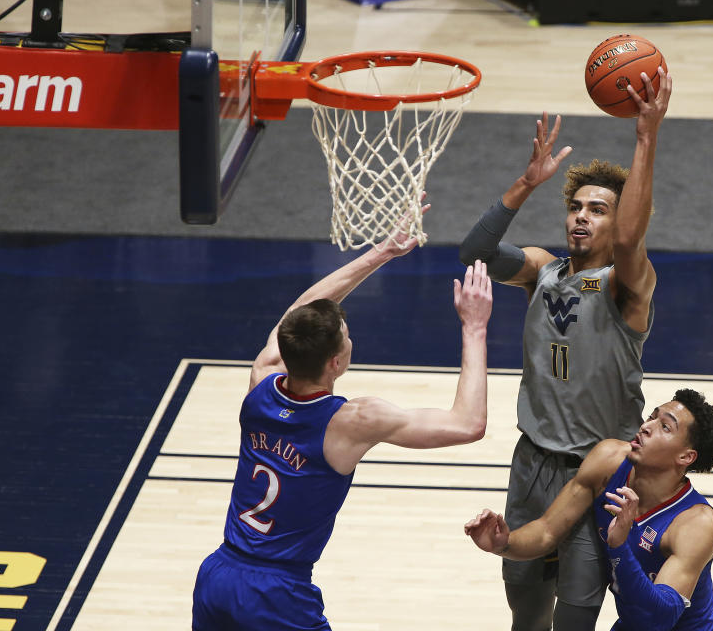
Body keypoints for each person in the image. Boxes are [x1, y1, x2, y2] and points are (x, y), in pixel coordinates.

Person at [191, 216, 494, 631]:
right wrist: (474, 327)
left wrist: (382, 252)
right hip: (277, 593)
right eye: (347, 336)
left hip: (217, 575)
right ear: (336, 362)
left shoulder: (262, 381)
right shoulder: (351, 420)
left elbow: (300, 314)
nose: (351, 338)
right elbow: (468, 424)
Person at [458, 69, 672, 629]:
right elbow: (473, 250)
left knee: (575, 617)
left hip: (599, 473)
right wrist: (525, 184)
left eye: (598, 208)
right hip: (531, 464)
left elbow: (629, 240)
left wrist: (646, 135)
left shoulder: (630, 289)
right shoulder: (540, 271)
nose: (582, 215)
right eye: (576, 206)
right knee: (525, 611)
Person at [465, 388, 713, 631]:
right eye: (652, 417)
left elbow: (658, 619)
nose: (646, 427)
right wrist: (503, 544)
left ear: (686, 457)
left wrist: (619, 546)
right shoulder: (609, 460)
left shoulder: (695, 523)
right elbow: (547, 531)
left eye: (665, 427)